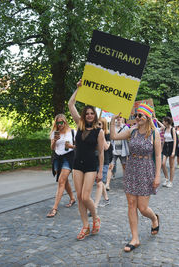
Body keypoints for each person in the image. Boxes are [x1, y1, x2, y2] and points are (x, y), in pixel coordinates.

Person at [110, 103, 161, 252]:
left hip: (146, 169)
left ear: (147, 117)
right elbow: (113, 136)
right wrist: (113, 120)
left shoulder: (154, 133)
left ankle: (154, 219)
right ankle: (135, 238)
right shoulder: (131, 131)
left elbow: (157, 155)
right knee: (131, 204)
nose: (136, 118)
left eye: (140, 115)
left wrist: (157, 176)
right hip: (132, 168)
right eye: (136, 115)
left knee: (143, 208)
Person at [68, 80, 104, 240]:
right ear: (84, 115)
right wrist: (78, 89)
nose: (89, 115)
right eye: (87, 113)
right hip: (77, 164)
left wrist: (101, 170)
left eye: (92, 113)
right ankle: (85, 226)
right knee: (79, 197)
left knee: (84, 196)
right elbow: (70, 104)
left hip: (90, 166)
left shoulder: (99, 131)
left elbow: (101, 153)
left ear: (95, 116)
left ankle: (95, 217)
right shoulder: (79, 125)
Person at [47, 114, 76, 218]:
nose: (59, 124)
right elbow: (52, 148)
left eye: (61, 122)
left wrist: (71, 146)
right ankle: (72, 198)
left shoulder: (72, 132)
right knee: (64, 180)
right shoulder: (54, 133)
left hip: (68, 157)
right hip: (57, 158)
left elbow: (78, 146)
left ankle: (54, 208)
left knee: (61, 181)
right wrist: (54, 140)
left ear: (65, 121)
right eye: (57, 122)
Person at [105, 116, 130, 191]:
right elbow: (110, 137)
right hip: (113, 151)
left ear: (123, 118)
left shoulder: (126, 128)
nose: (119, 119)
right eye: (117, 117)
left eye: (120, 117)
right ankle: (107, 184)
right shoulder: (112, 127)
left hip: (123, 150)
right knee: (110, 167)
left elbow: (128, 139)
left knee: (124, 166)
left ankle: (126, 184)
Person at [92, 118, 111, 214]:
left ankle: (95, 206)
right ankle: (106, 199)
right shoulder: (93, 133)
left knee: (99, 182)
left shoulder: (107, 135)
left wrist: (101, 134)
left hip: (104, 161)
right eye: (96, 124)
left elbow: (106, 147)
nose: (97, 126)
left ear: (103, 125)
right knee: (100, 182)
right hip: (94, 160)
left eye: (99, 124)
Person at [159, 117, 177, 188]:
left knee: (171, 165)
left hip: (171, 146)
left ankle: (171, 181)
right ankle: (166, 178)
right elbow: (164, 139)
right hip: (165, 146)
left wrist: (173, 151)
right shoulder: (165, 129)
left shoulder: (172, 129)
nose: (163, 122)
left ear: (167, 122)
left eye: (164, 121)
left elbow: (175, 140)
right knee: (163, 163)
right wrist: (161, 148)